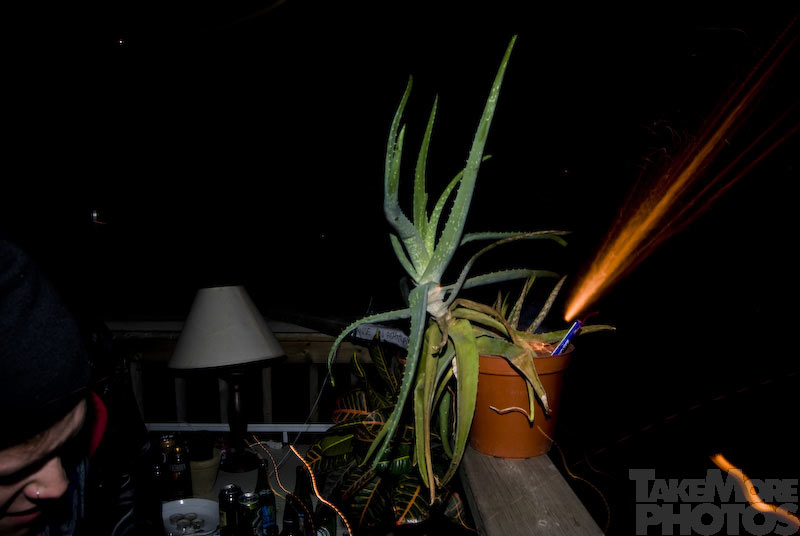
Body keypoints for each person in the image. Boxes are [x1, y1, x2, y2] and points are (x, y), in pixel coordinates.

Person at [0, 237, 160, 535]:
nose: (59, 485)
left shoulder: (101, 378)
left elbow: (135, 499)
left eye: (67, 444)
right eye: (11, 473)